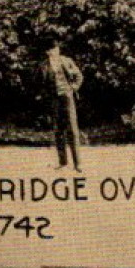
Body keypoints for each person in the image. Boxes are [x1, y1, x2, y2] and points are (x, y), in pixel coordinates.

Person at [44, 42, 85, 172]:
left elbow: (79, 76)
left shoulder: (67, 61)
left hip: (67, 98)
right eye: (51, 49)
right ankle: (63, 162)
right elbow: (39, 83)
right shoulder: (44, 66)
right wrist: (44, 95)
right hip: (54, 100)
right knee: (58, 131)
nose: (54, 51)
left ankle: (78, 164)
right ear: (47, 52)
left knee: (72, 130)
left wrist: (73, 88)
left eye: (55, 48)